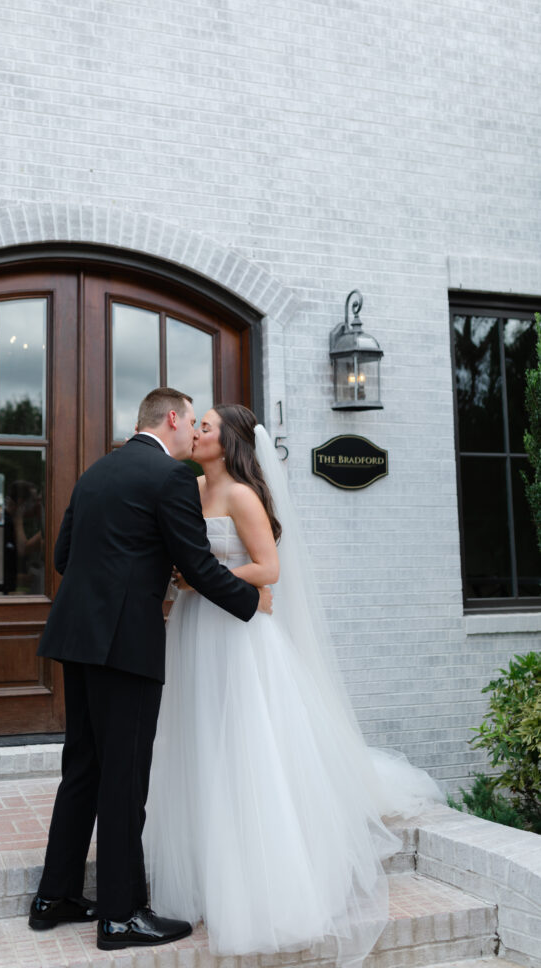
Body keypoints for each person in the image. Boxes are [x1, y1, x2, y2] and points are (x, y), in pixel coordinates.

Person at [144, 404, 442, 965]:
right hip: (194, 627)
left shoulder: (240, 495)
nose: (196, 431)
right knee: (201, 740)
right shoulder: (191, 491)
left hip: (237, 635)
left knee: (245, 745)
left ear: (228, 442)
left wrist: (206, 577)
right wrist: (183, 579)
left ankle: (264, 877)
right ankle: (207, 867)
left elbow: (270, 568)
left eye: (205, 426)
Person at [29, 388, 273, 950]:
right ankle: (120, 914)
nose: (194, 434)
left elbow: (65, 558)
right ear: (172, 419)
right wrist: (250, 607)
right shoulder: (167, 479)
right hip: (126, 647)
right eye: (192, 422)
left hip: (77, 639)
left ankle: (54, 895)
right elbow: (194, 563)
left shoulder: (97, 471)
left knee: (83, 770)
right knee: (124, 778)